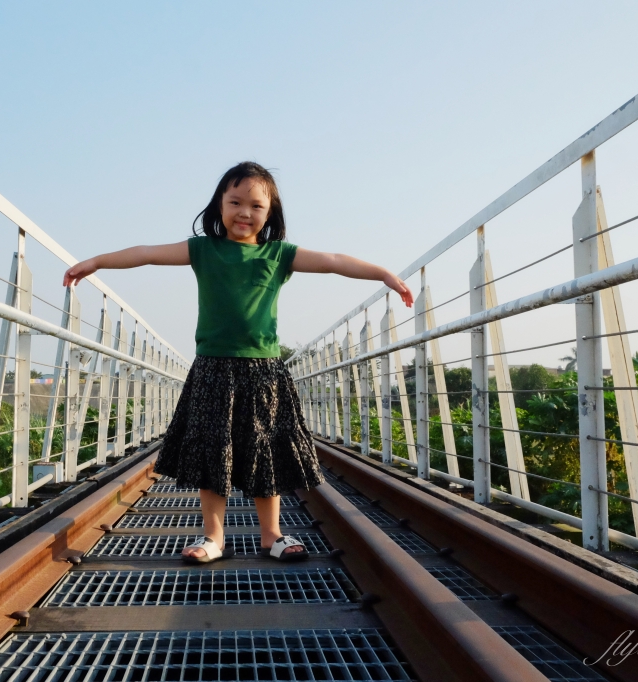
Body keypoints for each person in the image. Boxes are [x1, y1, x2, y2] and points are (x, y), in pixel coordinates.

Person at [63, 161, 413, 563]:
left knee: (265, 453)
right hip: (213, 367)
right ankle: (213, 538)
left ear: (270, 214)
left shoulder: (279, 255)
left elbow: (334, 260)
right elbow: (145, 254)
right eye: (235, 202)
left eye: (256, 206)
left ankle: (272, 536)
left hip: (264, 370)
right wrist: (95, 262)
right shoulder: (203, 250)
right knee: (215, 454)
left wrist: (384, 274)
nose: (244, 213)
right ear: (219, 206)